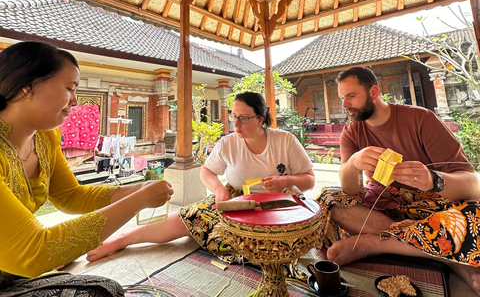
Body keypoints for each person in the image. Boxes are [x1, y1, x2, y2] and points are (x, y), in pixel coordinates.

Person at [0, 41, 173, 296]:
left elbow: (70, 196)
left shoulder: (45, 139)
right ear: (28, 86)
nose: (75, 100)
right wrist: (137, 201)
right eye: (69, 88)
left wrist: (137, 190)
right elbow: (34, 250)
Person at [87, 92, 315, 271]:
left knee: (272, 247)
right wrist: (218, 189)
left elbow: (309, 179)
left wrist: (286, 182)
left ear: (261, 119)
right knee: (188, 218)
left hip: (276, 205)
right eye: (233, 117)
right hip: (236, 201)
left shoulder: (285, 141)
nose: (236, 124)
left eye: (244, 118)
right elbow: (206, 171)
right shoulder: (228, 143)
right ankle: (122, 240)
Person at [316, 66, 480, 295]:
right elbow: (350, 191)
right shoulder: (352, 132)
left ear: (374, 92)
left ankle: (373, 244)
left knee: (475, 216)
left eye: (351, 96)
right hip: (382, 209)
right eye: (342, 97)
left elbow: (472, 184)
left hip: (429, 208)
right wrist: (354, 162)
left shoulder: (420, 119)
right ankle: (447, 256)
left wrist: (434, 181)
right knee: (327, 199)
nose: (345, 104)